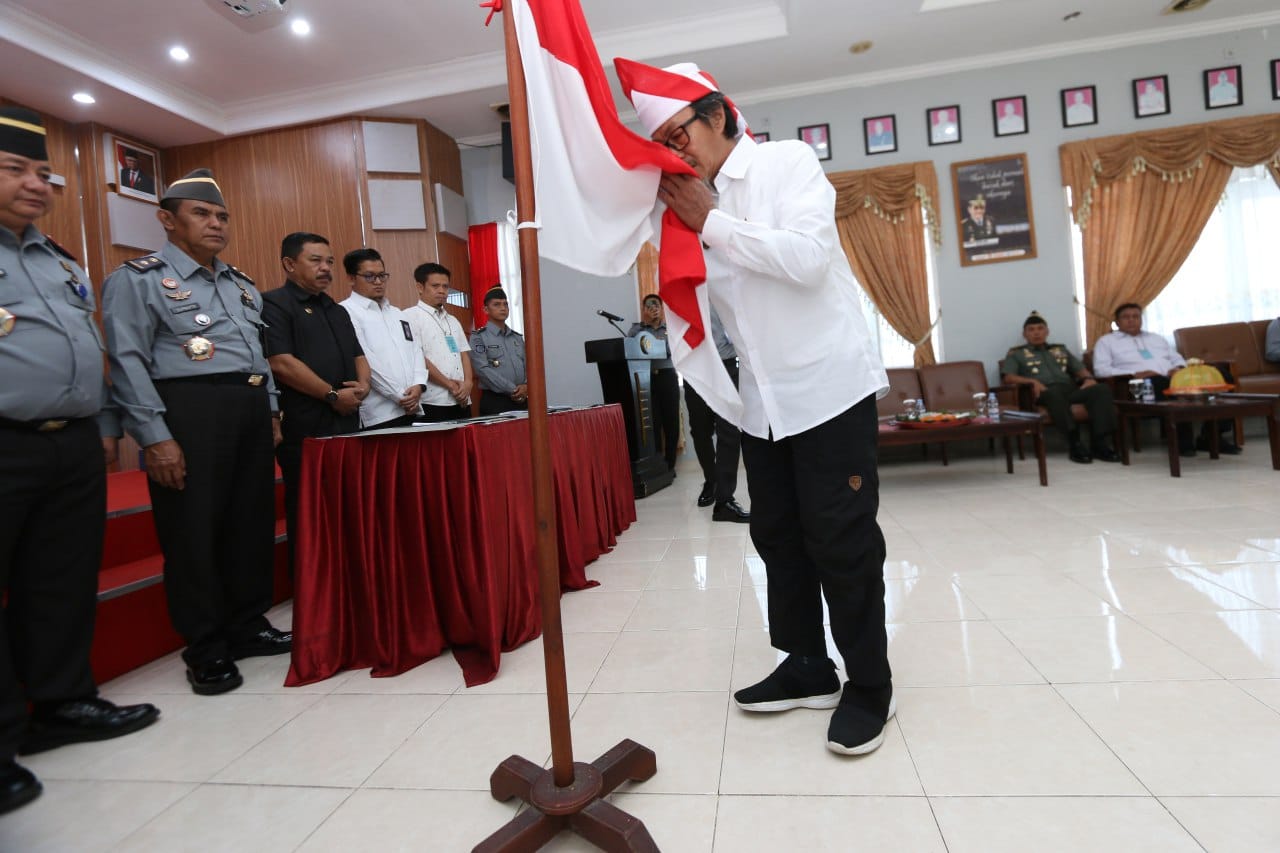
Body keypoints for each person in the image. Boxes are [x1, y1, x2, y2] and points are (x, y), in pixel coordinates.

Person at [617, 57, 892, 755]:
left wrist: (711, 221)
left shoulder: (785, 163)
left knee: (842, 541)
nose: (673, 153)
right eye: (663, 144)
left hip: (827, 391)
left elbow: (807, 261)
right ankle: (807, 665)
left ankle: (869, 685)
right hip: (761, 402)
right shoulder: (684, 204)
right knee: (778, 538)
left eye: (679, 135)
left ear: (716, 115)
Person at [0, 107, 158, 816]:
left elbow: (88, 348)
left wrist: (102, 421)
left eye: (43, 172)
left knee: (59, 583)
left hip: (70, 442)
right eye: (15, 169)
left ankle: (61, 703)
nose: (36, 184)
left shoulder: (59, 259)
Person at [103, 168, 291, 697]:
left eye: (222, 216)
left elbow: (257, 356)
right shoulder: (139, 279)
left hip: (248, 409)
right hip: (188, 411)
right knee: (193, 532)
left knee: (249, 524)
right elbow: (127, 361)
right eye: (202, 214)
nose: (216, 224)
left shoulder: (240, 284)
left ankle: (247, 624)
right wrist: (154, 436)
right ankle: (206, 647)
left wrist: (271, 410)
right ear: (167, 220)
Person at [261, 232, 369, 570]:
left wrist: (363, 386)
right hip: (305, 428)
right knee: (309, 512)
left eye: (329, 262)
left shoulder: (335, 309)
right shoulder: (274, 304)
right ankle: (310, 586)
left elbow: (358, 355)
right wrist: (332, 395)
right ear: (289, 264)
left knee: (348, 508)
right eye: (316, 261)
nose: (325, 268)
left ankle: (347, 577)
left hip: (347, 422)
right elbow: (280, 362)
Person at [1094, 302, 1238, 455]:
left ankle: (1211, 436)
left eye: (1136, 316)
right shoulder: (1106, 342)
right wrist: (1134, 373)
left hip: (1170, 378)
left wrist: (1178, 369)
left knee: (1222, 376)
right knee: (1169, 386)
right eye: (1126, 317)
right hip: (1137, 385)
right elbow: (1101, 370)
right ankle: (1183, 442)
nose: (1131, 320)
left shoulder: (1156, 338)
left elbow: (1177, 358)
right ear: (1117, 322)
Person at [1000, 311, 1120, 464]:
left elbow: (1080, 369)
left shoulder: (1060, 350)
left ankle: (1099, 444)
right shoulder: (1017, 354)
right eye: (1031, 330)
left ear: (1047, 331)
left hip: (1069, 390)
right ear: (1024, 334)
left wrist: (1089, 379)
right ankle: (1075, 443)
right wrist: (1032, 381)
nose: (1036, 333)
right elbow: (1008, 377)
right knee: (1055, 393)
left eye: (1040, 328)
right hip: (1043, 392)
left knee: (1101, 389)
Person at [338, 248, 426, 430]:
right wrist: (400, 396)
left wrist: (418, 385)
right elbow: (366, 360)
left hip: (411, 407)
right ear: (351, 278)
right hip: (379, 413)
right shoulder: (345, 312)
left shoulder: (398, 313)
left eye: (382, 276)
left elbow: (416, 351)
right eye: (369, 276)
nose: (378, 282)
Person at [683, 306, 748, 521]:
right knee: (700, 431)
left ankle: (724, 500)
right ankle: (711, 481)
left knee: (730, 431)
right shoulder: (688, 289)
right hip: (695, 367)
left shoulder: (727, 286)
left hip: (726, 364)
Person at [406, 262, 474, 421]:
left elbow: (464, 354)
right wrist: (450, 385)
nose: (442, 291)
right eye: (435, 286)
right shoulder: (409, 317)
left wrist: (468, 383)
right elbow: (418, 359)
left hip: (462, 398)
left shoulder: (453, 320)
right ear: (420, 287)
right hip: (433, 400)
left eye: (445, 286)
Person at [627, 293, 680, 471]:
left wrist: (653, 342)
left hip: (667, 377)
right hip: (646, 379)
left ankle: (670, 466)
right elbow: (630, 347)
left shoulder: (669, 329)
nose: (653, 309)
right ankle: (657, 465)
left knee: (671, 422)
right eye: (649, 306)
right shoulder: (637, 330)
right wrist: (646, 328)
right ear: (644, 310)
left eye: (656, 305)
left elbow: (671, 350)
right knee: (652, 423)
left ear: (661, 308)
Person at [470, 286, 528, 415]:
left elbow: (528, 365)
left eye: (505, 304)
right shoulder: (479, 337)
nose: (503, 308)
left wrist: (526, 386)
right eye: (496, 304)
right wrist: (512, 389)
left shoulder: (517, 337)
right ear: (486, 309)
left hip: (522, 398)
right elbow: (482, 369)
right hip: (495, 401)